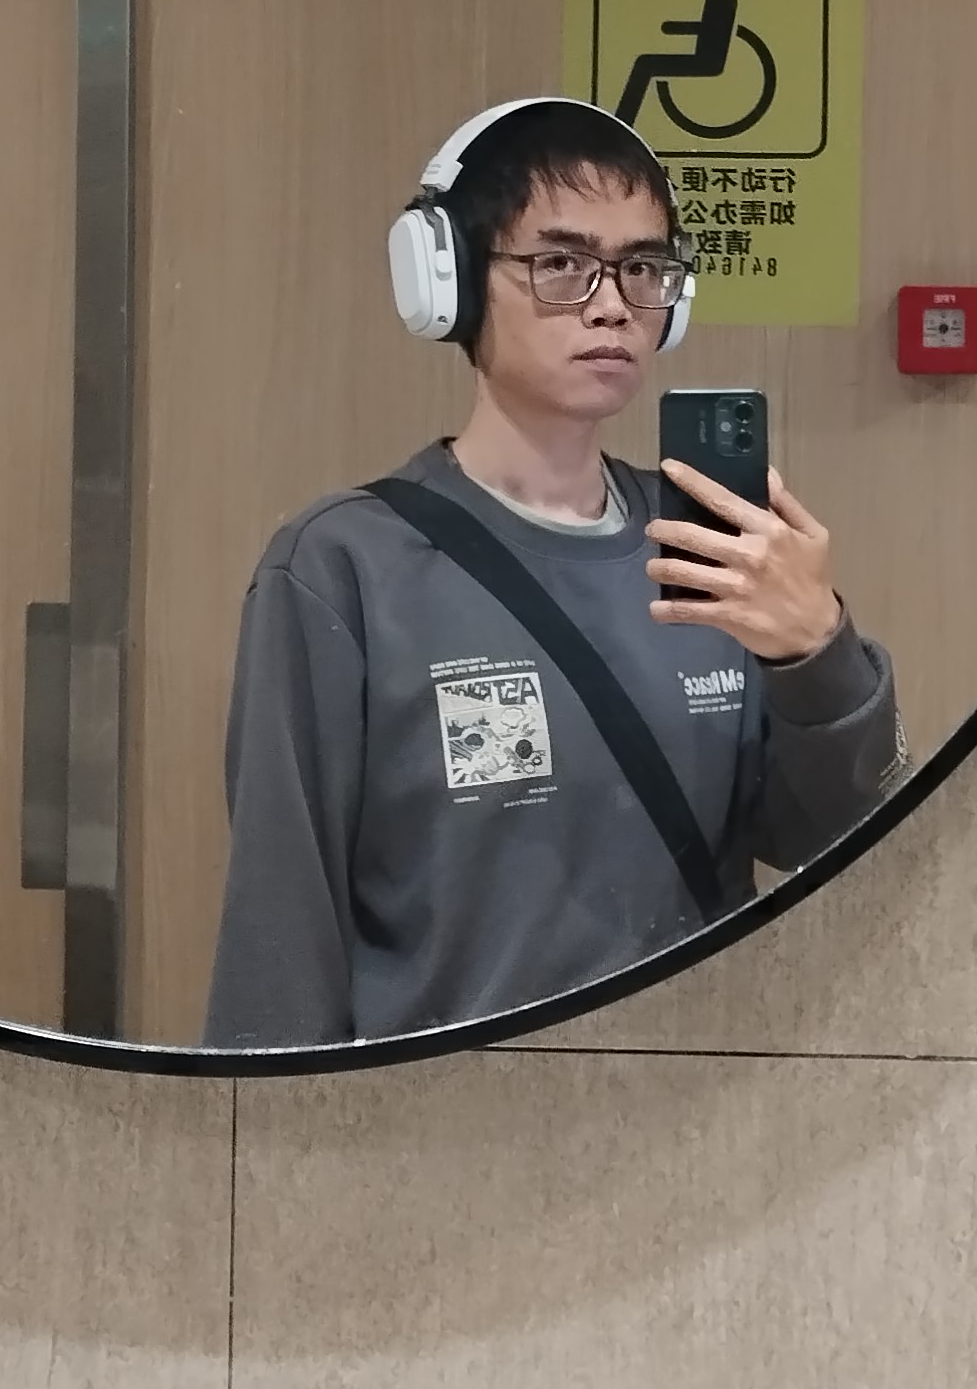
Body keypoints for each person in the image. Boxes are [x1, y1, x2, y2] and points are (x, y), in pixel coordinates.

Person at [204, 97, 903, 1048]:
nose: (612, 305)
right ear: (450, 281)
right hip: (441, 1116)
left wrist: (816, 654)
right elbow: (281, 923)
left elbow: (835, 846)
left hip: (704, 1104)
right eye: (562, 265)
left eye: (644, 269)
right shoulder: (343, 569)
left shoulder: (708, 549)